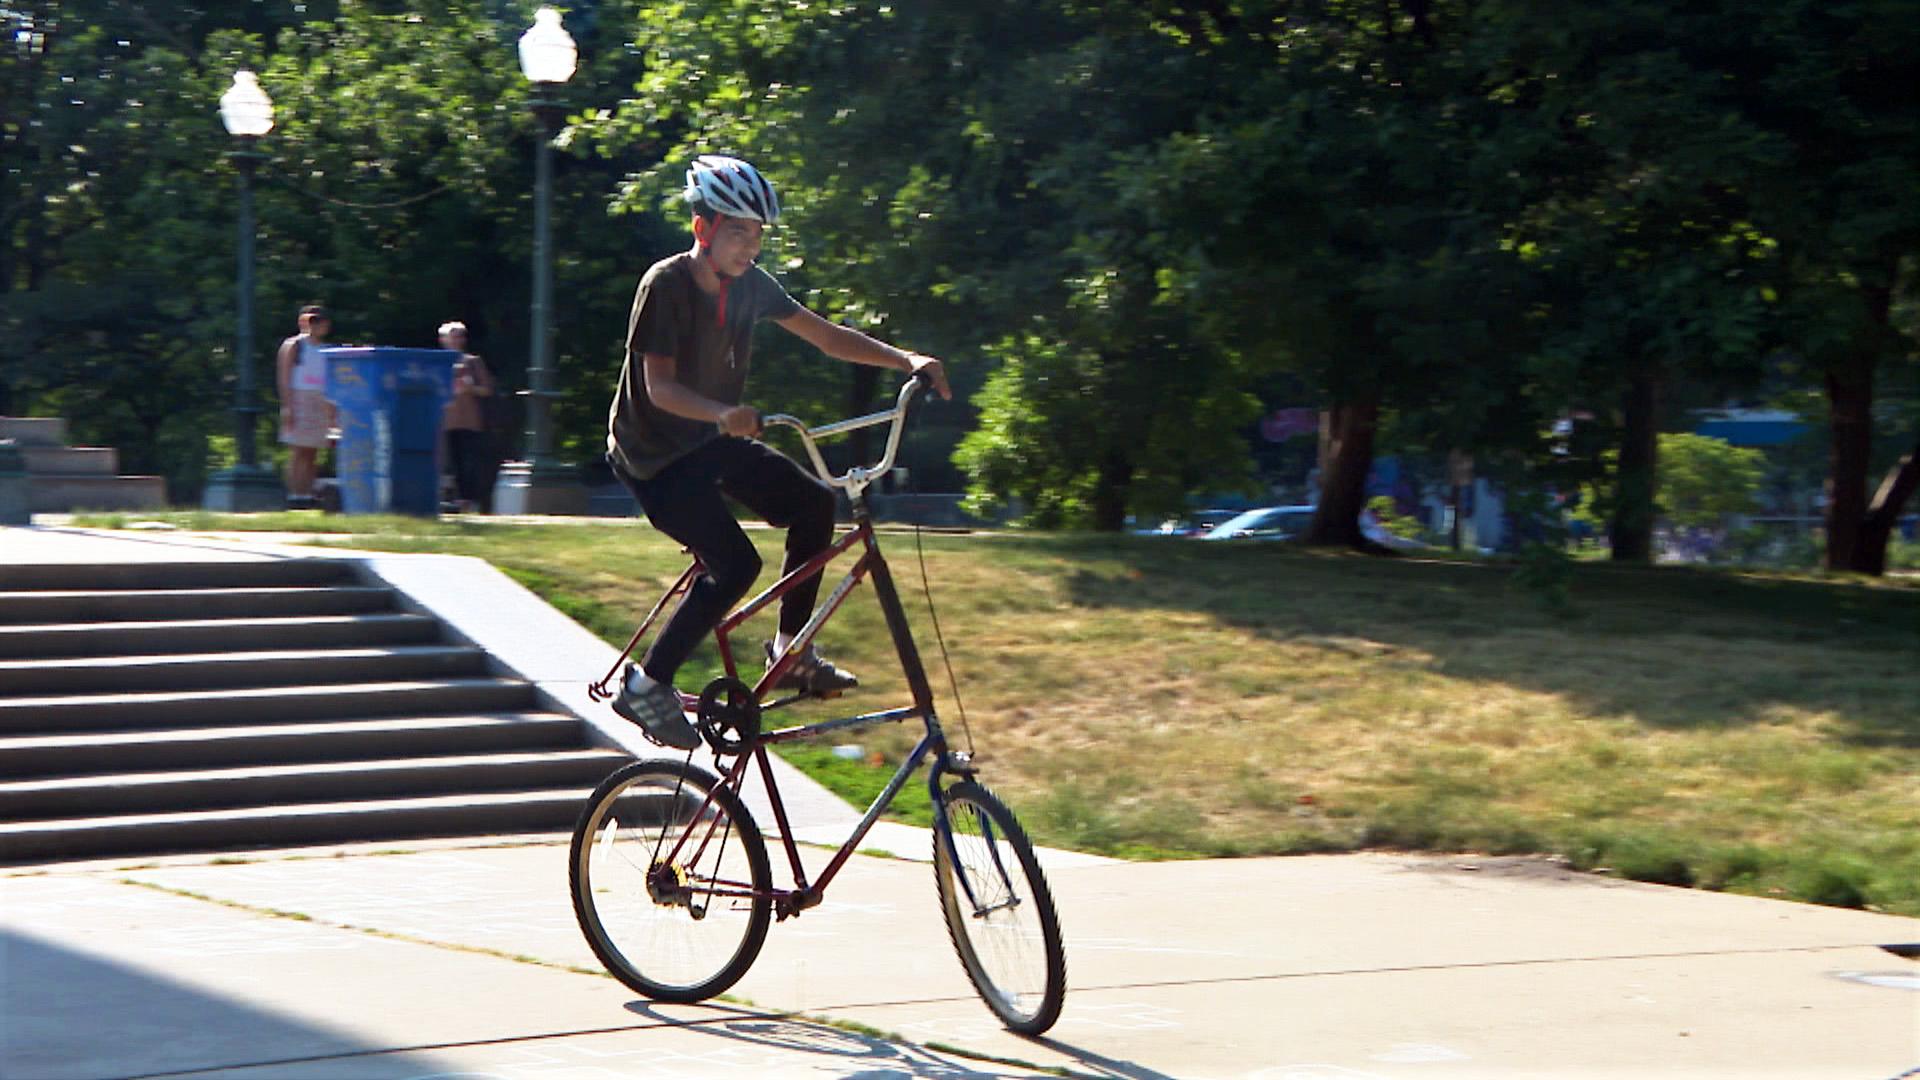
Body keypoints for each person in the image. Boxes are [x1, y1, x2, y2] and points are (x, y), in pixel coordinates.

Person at [607, 154, 951, 750]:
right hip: (654, 457)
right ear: (703, 230)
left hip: (713, 441)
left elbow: (825, 336)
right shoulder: (665, 285)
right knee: (737, 564)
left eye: (757, 233)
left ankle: (791, 651)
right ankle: (647, 685)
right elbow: (659, 389)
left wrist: (906, 359)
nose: (750, 246)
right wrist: (721, 413)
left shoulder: (751, 287)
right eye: (738, 231)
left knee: (814, 504)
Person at [277, 305, 335, 508]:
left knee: (313, 451)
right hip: (299, 398)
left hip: (320, 399)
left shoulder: (326, 350)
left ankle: (307, 494)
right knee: (298, 450)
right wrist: (287, 406)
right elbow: (284, 377)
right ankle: (294, 494)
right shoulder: (294, 345)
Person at [437, 320, 497, 514]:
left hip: (468, 420)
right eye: (452, 336)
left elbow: (487, 390)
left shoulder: (472, 362)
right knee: (447, 461)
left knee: (467, 461)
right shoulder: (435, 362)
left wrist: (470, 388)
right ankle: (448, 500)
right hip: (443, 420)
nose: (456, 340)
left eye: (460, 336)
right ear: (443, 339)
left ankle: (467, 501)